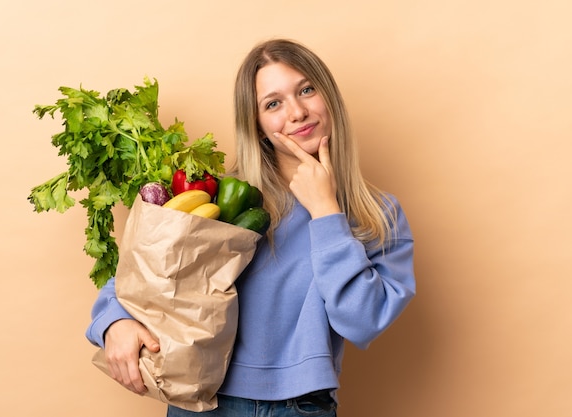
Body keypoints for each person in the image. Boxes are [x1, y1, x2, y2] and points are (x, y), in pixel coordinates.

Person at [86, 38, 416, 416]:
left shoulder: (378, 214)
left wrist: (327, 212)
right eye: (273, 103)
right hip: (203, 401)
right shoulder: (225, 199)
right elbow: (143, 273)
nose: (297, 112)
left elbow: (363, 320)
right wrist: (113, 322)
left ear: (329, 98)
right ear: (257, 124)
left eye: (307, 90)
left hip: (300, 407)